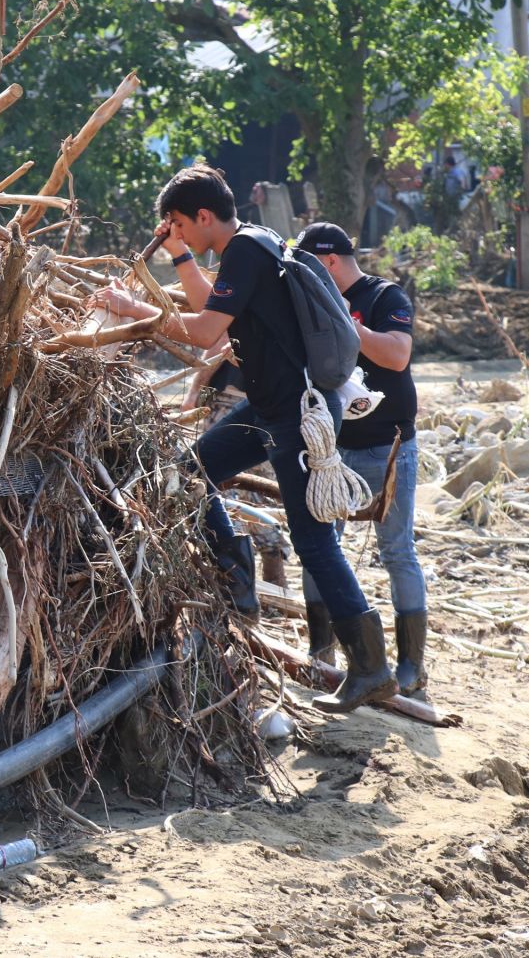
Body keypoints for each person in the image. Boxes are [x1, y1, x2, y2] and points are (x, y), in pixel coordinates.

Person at [91, 166, 396, 714]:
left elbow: (207, 331)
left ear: (204, 216)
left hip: (296, 413)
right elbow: (217, 309)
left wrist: (137, 312)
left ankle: (371, 668)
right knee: (191, 469)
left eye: (182, 224)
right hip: (271, 405)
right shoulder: (256, 244)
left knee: (314, 541)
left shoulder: (247, 253)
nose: (178, 232)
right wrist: (181, 255)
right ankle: (237, 575)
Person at [294, 222, 428, 695]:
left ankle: (412, 665)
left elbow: (396, 356)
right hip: (332, 450)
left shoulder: (385, 297)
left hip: (389, 448)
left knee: (396, 552)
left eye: (311, 269)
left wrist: (352, 331)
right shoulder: (310, 299)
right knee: (319, 549)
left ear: (328, 263)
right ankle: (322, 652)